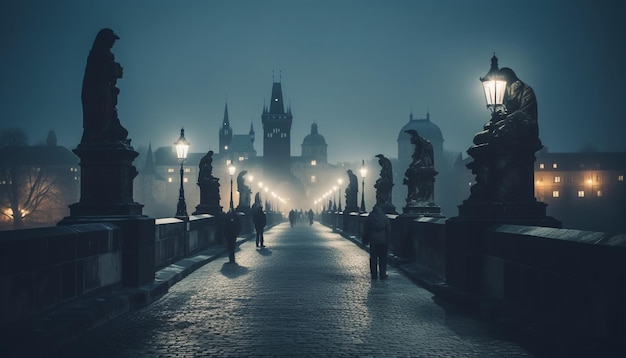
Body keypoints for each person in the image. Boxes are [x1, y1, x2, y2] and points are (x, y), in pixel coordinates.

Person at [363, 205, 391, 280]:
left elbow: (366, 229)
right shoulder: (384, 217)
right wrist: (388, 239)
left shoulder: (370, 217)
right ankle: (382, 274)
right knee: (383, 258)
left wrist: (365, 240)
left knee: (373, 258)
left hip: (373, 240)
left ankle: (374, 275)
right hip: (383, 240)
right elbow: (388, 229)